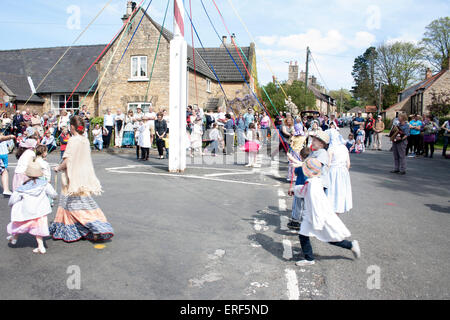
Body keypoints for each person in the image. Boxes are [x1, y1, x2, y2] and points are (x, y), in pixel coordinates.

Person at [50, 116, 114, 242]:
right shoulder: (85, 140)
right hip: (83, 176)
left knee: (74, 205)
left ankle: (97, 227)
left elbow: (67, 160)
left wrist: (58, 168)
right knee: (82, 203)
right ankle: (79, 228)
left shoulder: (73, 140)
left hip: (72, 177)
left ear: (72, 127)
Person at [293, 158, 361, 267]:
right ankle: (309, 258)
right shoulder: (312, 182)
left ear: (308, 171)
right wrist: (295, 190)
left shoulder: (313, 185)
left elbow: (317, 205)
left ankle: (351, 245)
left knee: (329, 238)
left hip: (318, 218)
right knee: (304, 235)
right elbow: (304, 190)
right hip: (311, 216)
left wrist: (318, 222)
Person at [7, 160, 58, 253]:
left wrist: (11, 204)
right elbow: (53, 194)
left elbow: (14, 198)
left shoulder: (23, 187)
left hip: (27, 209)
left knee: (20, 223)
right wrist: (54, 197)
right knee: (39, 228)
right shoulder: (44, 183)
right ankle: (41, 246)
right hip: (40, 210)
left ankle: (14, 237)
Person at [327, 130, 352, 215]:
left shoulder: (331, 149)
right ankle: (338, 210)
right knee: (340, 191)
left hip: (333, 171)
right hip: (343, 171)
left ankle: (331, 210)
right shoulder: (344, 148)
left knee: (332, 191)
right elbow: (348, 163)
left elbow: (329, 164)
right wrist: (344, 172)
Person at [287, 147, 311, 230]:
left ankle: (295, 221)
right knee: (306, 205)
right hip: (307, 188)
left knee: (297, 205)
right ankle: (305, 221)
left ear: (300, 156)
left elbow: (296, 173)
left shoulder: (300, 166)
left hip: (299, 188)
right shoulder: (310, 165)